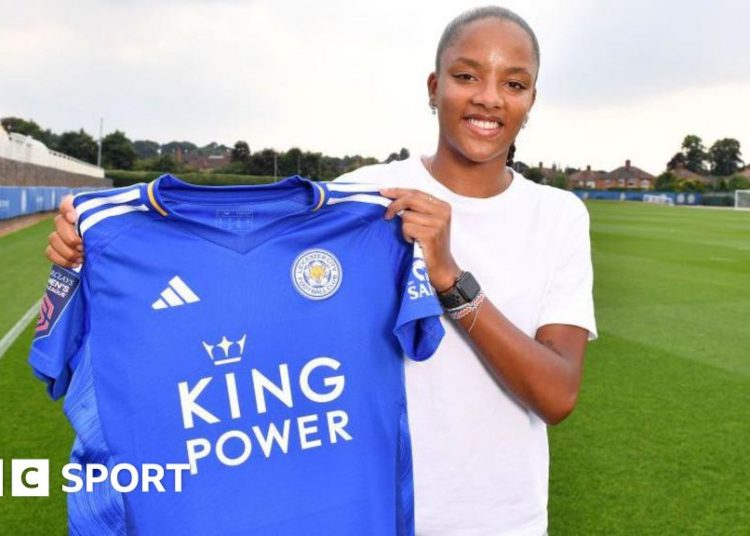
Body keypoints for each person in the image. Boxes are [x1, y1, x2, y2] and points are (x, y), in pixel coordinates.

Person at [46, 6, 596, 535]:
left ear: (531, 100)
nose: (488, 98)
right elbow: (239, 270)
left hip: (499, 522)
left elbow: (556, 395)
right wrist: (91, 241)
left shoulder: (558, 216)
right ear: (434, 87)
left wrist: (449, 278)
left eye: (514, 84)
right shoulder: (364, 197)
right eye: (466, 75)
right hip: (363, 513)